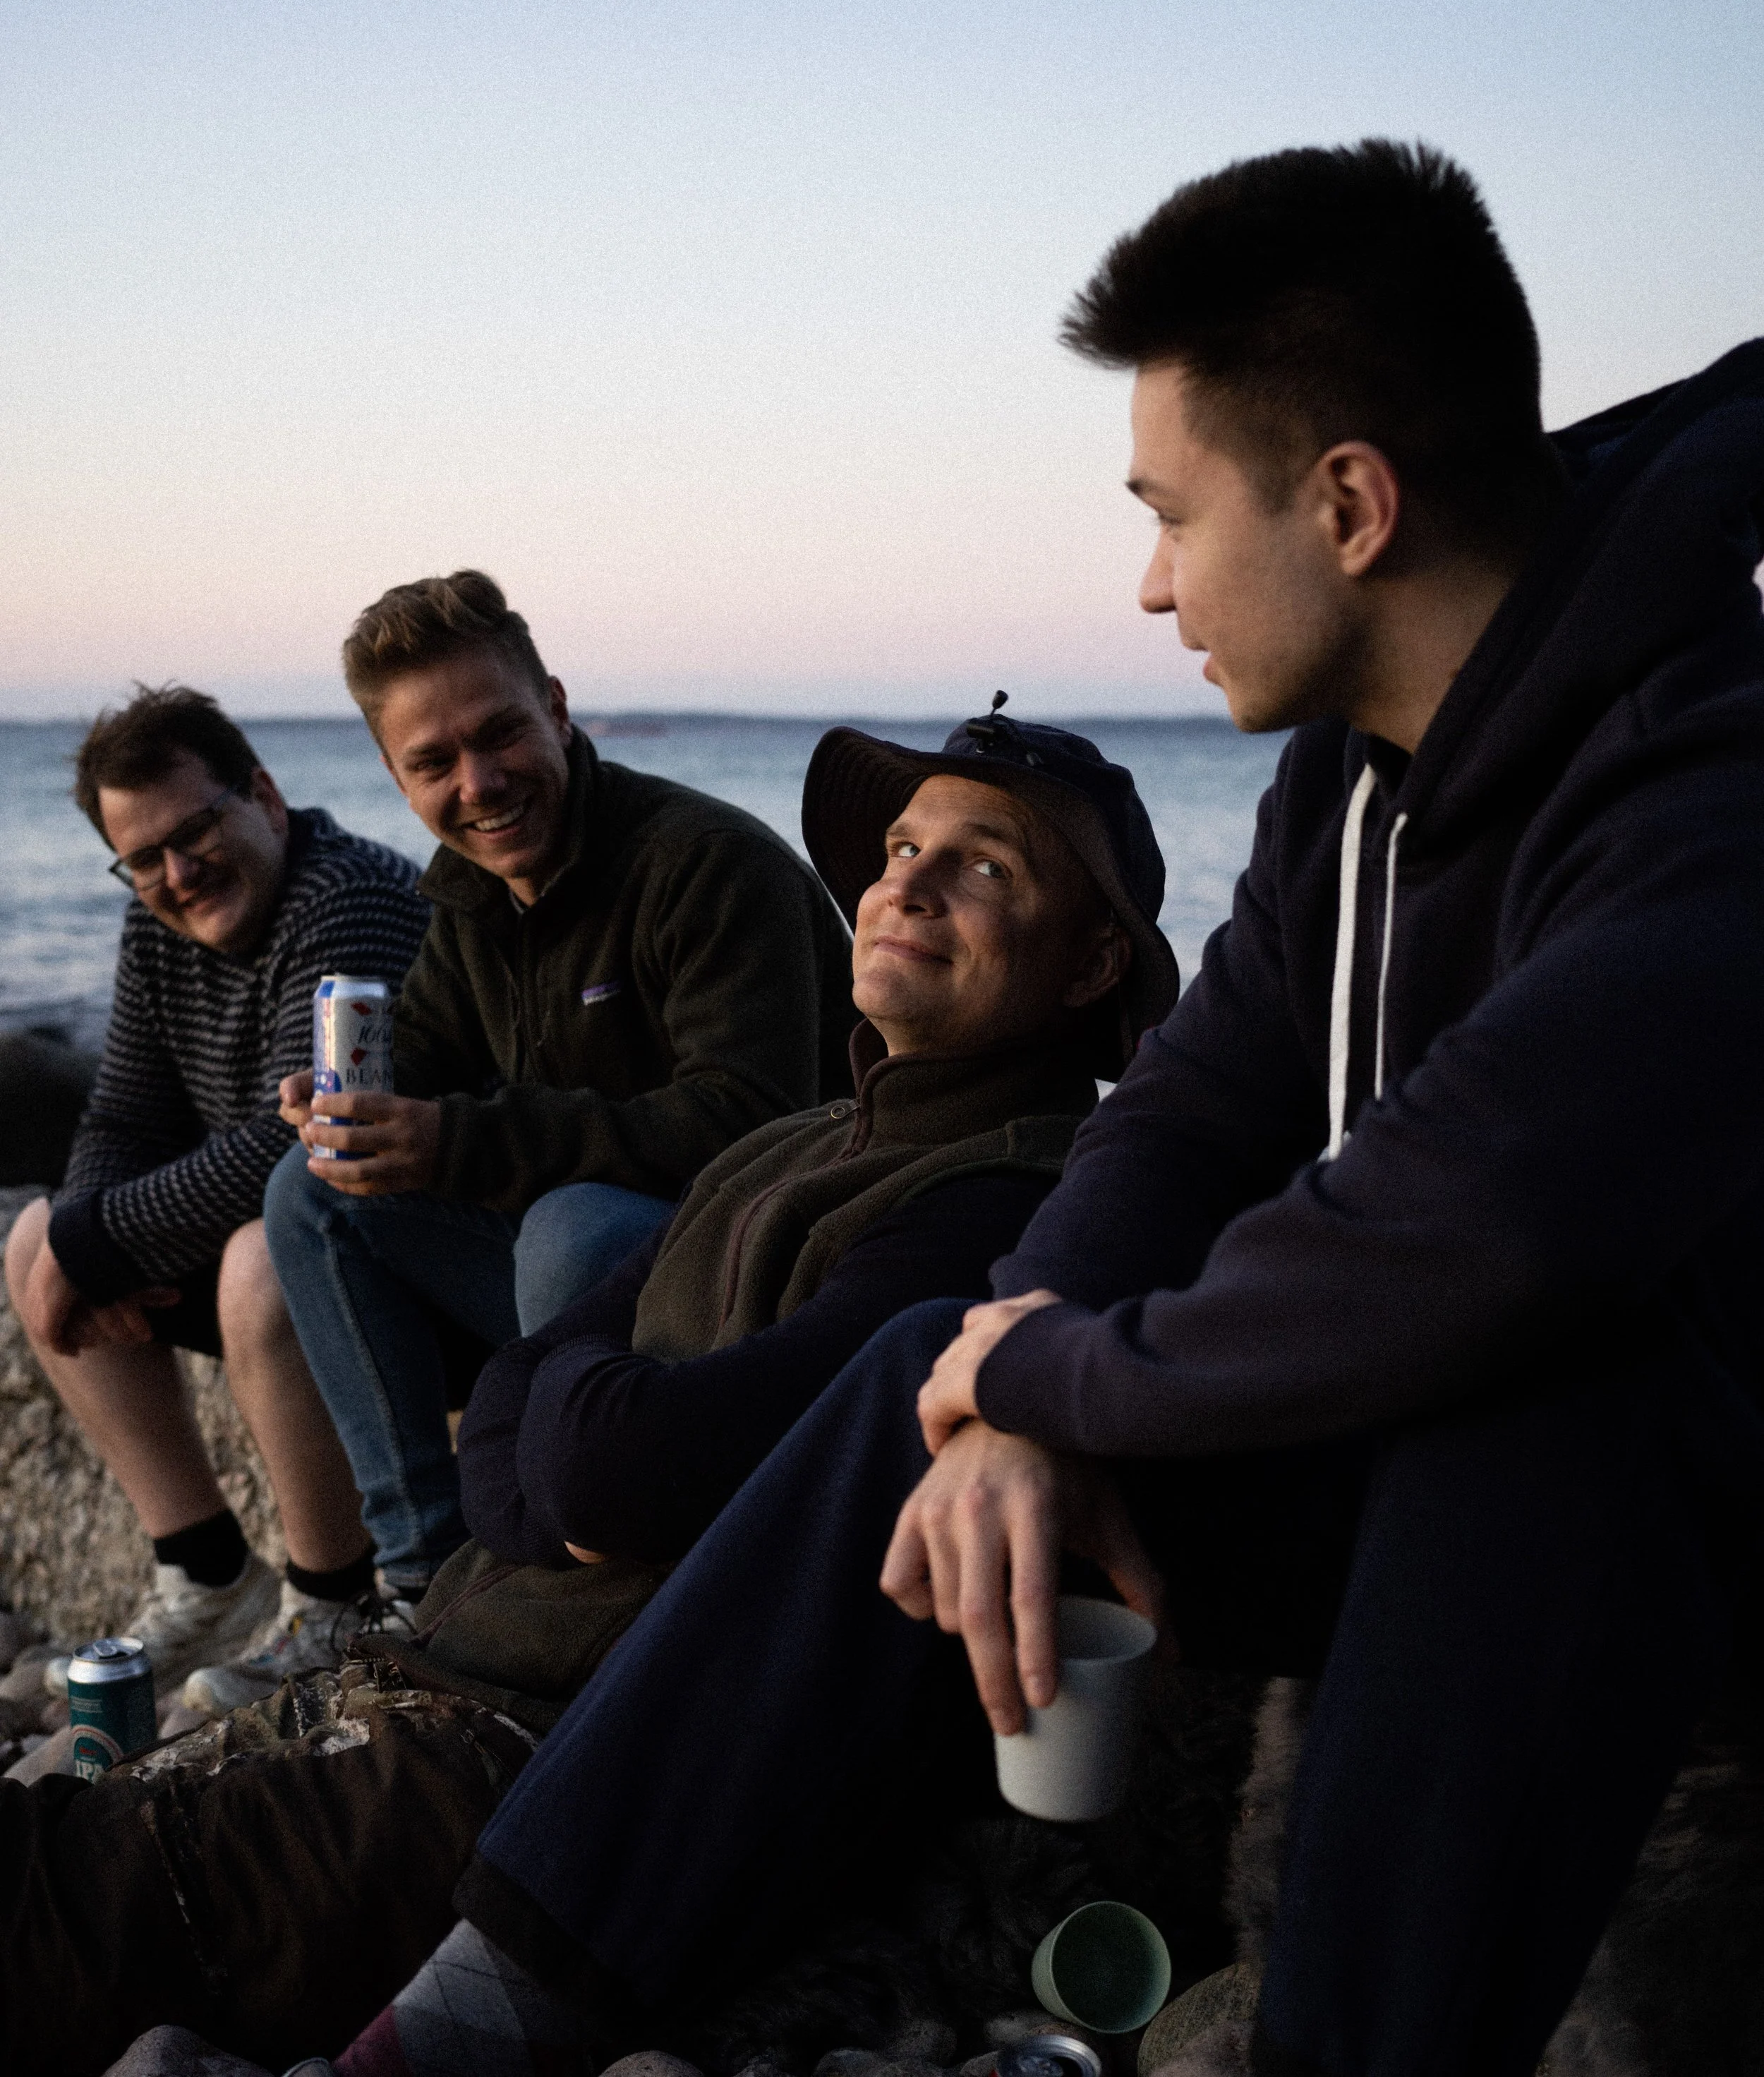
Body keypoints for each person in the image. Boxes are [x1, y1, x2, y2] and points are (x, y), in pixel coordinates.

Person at [315, 148, 1764, 2077]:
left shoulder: (1705, 765)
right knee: (932, 1344)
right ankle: (470, 2021)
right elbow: (1179, 1107)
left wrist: (1071, 1380)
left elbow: (1487, 1210)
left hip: (1654, 1497)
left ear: (1346, 502)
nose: (1149, 578)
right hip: (1402, 1446)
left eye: (1167, 511)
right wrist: (1010, 1379)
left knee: (1533, 1410)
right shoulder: (1347, 778)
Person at [0, 711, 1177, 2077]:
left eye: (984, 869)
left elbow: (629, 1467)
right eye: (903, 846)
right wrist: (565, 1441)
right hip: (420, 1674)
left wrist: (569, 1435)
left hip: (534, 1767)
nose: (905, 880)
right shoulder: (798, 1143)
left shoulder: (998, 1207)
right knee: (64, 1847)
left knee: (59, 1925)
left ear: (1095, 960)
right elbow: (521, 1406)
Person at [258, 569, 857, 1634]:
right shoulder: (473, 892)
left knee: (568, 1227)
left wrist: (457, 1142)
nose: (479, 783)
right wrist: (342, 1113)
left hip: (752, 1287)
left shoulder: (708, 866)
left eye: (500, 735)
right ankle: (421, 1585)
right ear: (397, 779)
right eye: (433, 762)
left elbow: (747, 1123)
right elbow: (431, 1067)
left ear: (559, 710)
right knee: (312, 1191)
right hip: (584, 1295)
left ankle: (567, 1588)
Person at [2, 685, 430, 1702]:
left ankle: (331, 1602)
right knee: (33, 1237)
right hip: (283, 1231)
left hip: (396, 1251)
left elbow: (289, 1145)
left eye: (196, 830)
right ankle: (206, 1574)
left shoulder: (347, 899)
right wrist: (79, 1244)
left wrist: (103, 1245)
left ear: (265, 798)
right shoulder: (156, 928)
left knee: (255, 1250)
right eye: (143, 857)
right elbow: (122, 1120)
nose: (177, 873)